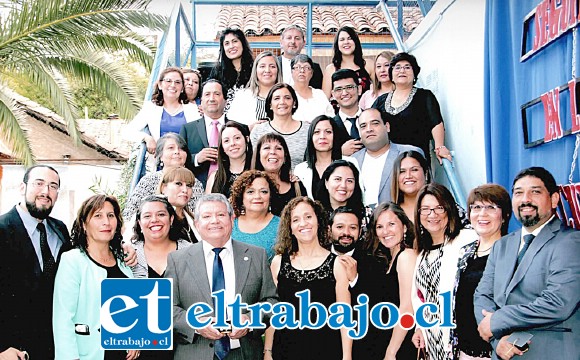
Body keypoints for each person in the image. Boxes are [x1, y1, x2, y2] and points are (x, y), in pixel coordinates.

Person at [474, 167, 580, 360]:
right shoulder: (502, 245)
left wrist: (498, 320)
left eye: (535, 192)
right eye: (519, 193)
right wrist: (498, 341)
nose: (525, 199)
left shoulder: (571, 242)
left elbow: (557, 303)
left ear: (554, 199)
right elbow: (482, 295)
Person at [165, 194, 279, 360]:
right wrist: (196, 325)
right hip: (194, 353)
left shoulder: (256, 255)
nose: (214, 221)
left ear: (232, 219)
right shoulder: (177, 260)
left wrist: (249, 319)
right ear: (197, 224)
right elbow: (167, 308)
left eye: (220, 215)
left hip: (244, 353)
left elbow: (272, 302)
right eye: (206, 216)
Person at [265, 197, 352, 360]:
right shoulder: (278, 263)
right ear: (289, 228)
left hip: (326, 350)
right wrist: (268, 351)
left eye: (308, 217)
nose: (303, 223)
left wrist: (347, 357)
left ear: (318, 220)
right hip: (285, 351)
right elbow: (273, 314)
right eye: (296, 220)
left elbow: (344, 317)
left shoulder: (337, 264)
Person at [52, 195, 138, 360]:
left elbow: (130, 309)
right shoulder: (72, 260)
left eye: (110, 215)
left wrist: (134, 338)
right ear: (84, 225)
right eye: (98, 216)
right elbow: (63, 318)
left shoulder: (123, 261)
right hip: (88, 354)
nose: (106, 222)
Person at [0, 165, 70, 359]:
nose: (46, 192)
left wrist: (123, 247)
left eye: (53, 186)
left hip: (54, 346)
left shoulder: (60, 229)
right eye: (39, 183)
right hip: (14, 350)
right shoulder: (2, 229)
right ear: (22, 188)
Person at [411, 183, 478, 360]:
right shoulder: (422, 252)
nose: (432, 215)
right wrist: (420, 327)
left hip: (461, 341)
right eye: (425, 209)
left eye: (438, 208)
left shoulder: (468, 239)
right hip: (432, 341)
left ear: (449, 209)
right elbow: (419, 297)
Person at [454, 184, 511, 360]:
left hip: (495, 351)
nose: (482, 214)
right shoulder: (465, 251)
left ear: (505, 215)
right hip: (464, 351)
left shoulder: (511, 252)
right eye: (476, 207)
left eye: (491, 207)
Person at [357, 202, 417, 360]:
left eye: (391, 224)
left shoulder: (406, 256)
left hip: (400, 346)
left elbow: (406, 308)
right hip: (387, 341)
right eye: (380, 226)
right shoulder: (390, 260)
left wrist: (391, 352)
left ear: (404, 227)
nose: (385, 231)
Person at [372, 52, 450, 165]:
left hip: (417, 159)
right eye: (397, 67)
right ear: (392, 75)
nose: (402, 71)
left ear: (414, 74)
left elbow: (436, 123)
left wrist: (440, 146)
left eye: (407, 67)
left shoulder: (424, 96)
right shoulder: (380, 101)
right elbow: (369, 121)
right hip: (388, 162)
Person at [123, 133, 204, 220]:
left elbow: (201, 215)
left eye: (181, 149)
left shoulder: (195, 183)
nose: (177, 152)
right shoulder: (149, 181)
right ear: (160, 155)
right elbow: (129, 213)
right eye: (171, 148)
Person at [351, 108, 423, 208]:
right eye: (363, 126)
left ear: (387, 127)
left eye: (375, 123)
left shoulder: (409, 153)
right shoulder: (352, 161)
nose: (369, 129)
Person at [124, 67, 199, 155]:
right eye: (168, 81)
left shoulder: (194, 109)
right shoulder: (151, 108)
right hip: (161, 162)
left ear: (182, 88)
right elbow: (127, 131)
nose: (173, 85)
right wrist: (147, 138)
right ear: (160, 85)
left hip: (186, 161)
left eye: (177, 82)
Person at [391, 150, 470, 229]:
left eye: (414, 170)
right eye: (402, 171)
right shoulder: (391, 212)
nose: (408, 176)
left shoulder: (444, 203)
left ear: (425, 173)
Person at [180, 79, 232, 187]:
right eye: (207, 94)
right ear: (201, 100)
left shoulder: (238, 128)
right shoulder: (188, 129)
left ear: (225, 100)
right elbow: (179, 160)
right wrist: (196, 158)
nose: (211, 99)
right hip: (196, 189)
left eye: (217, 94)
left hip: (231, 187)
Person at [294, 115, 359, 199]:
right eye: (317, 132)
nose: (322, 137)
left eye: (328, 132)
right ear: (311, 137)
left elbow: (360, 197)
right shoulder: (300, 169)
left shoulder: (350, 163)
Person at [131, 195, 192, 281]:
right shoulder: (128, 254)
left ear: (171, 219)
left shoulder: (191, 252)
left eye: (161, 214)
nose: (154, 220)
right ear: (139, 223)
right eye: (147, 216)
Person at [250, 83, 309, 169]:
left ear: (294, 103)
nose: (282, 102)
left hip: (299, 181)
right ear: (270, 104)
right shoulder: (258, 131)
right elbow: (256, 164)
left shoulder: (307, 130)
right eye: (277, 98)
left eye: (287, 98)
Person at [229, 170, 280, 259]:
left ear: (270, 195)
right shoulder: (230, 224)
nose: (257, 196)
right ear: (241, 196)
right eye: (250, 192)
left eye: (263, 191)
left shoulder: (282, 225)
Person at [253, 133, 307, 216]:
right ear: (258, 155)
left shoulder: (297, 186)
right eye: (267, 148)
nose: (272, 152)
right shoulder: (248, 186)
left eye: (278, 148)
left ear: (285, 156)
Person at [227, 51, 281, 128]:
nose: (267, 70)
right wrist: (249, 128)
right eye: (262, 66)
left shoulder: (287, 96)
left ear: (278, 70)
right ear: (255, 70)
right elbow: (232, 127)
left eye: (272, 66)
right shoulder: (242, 96)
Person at [316, 160, 371, 234]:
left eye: (349, 181)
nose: (343, 185)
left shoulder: (366, 214)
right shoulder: (314, 213)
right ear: (326, 182)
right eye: (337, 179)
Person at [323, 26, 373, 103]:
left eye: (350, 38)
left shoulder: (368, 65)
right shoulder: (331, 69)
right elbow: (325, 100)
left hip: (365, 112)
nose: (346, 42)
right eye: (342, 39)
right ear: (337, 44)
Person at [208, 28, 254, 111]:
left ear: (242, 43)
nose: (231, 46)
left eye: (235, 41)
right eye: (227, 43)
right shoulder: (218, 70)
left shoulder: (255, 68)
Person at [205, 121, 253, 198]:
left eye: (237, 138)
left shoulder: (258, 172)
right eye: (226, 141)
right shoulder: (214, 178)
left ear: (247, 139)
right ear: (222, 147)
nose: (232, 144)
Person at [157, 167, 199, 243]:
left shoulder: (195, 220)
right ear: (163, 188)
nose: (185, 190)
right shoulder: (150, 216)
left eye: (189, 185)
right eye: (178, 184)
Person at [330, 69, 365, 156]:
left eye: (349, 87)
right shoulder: (329, 126)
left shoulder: (374, 120)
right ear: (333, 94)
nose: (344, 93)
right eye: (339, 89)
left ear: (359, 89)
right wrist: (339, 153)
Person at [290, 54, 334, 122]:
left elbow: (330, 117)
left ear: (311, 73)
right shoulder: (287, 93)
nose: (302, 71)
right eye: (297, 67)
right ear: (291, 72)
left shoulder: (319, 94)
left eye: (306, 67)